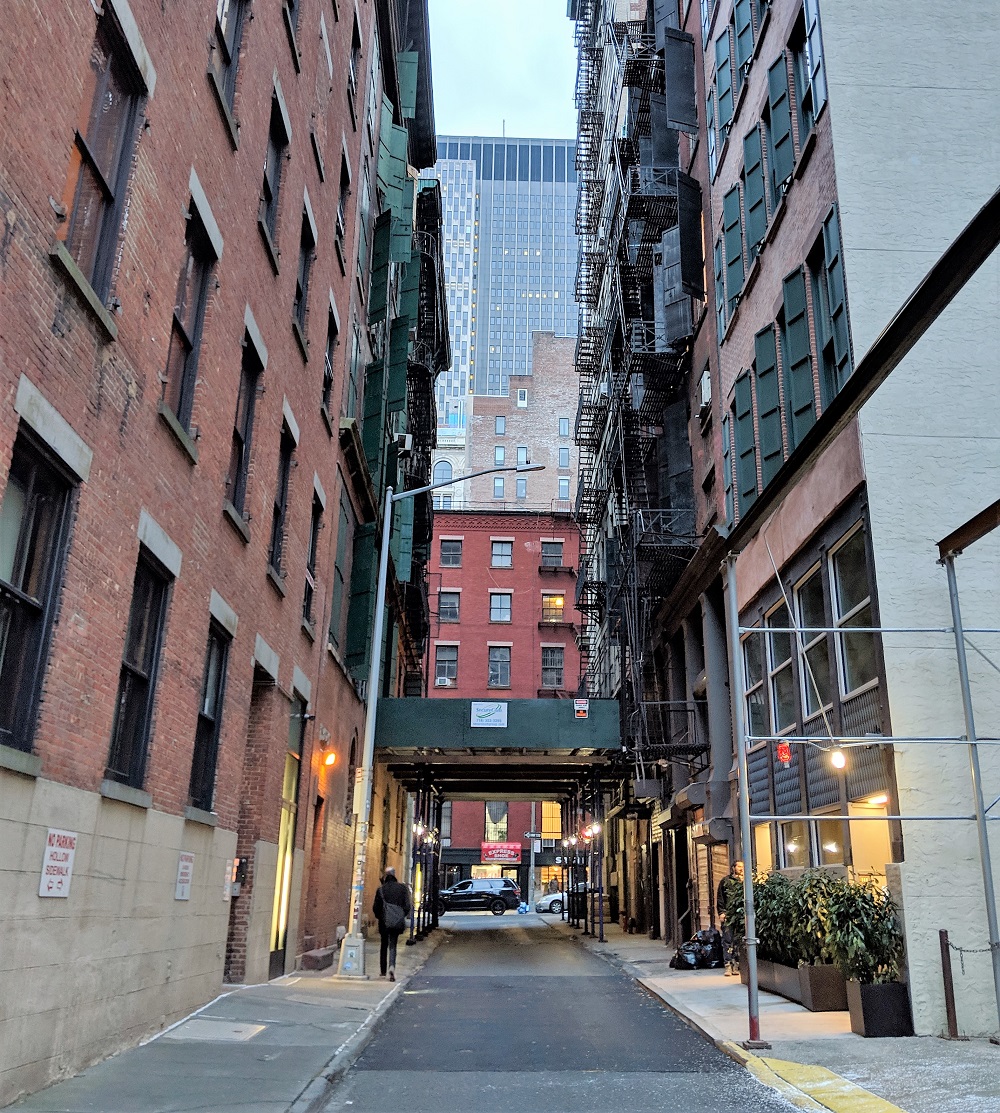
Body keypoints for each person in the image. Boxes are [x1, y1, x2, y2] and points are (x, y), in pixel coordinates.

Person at [372, 866, 412, 981]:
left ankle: (383, 971)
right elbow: (407, 906)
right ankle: (392, 966)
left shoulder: (381, 889)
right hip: (397, 921)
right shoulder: (402, 888)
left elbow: (376, 907)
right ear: (394, 875)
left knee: (384, 944)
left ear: (385, 875)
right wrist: (400, 916)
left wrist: (380, 917)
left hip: (384, 921)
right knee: (393, 944)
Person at [715, 861, 744, 976]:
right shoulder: (725, 881)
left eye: (743, 867)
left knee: (737, 941)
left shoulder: (745, 882)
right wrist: (721, 912)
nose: (741, 868)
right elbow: (720, 897)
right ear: (733, 868)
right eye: (739, 866)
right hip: (728, 915)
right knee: (727, 940)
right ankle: (728, 965)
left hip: (740, 916)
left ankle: (736, 964)